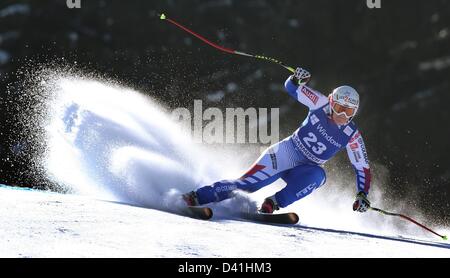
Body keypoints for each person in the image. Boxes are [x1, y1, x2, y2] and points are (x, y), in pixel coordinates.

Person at [183, 67, 372, 214]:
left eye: (348, 112)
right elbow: (292, 87)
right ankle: (195, 197)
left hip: (305, 168)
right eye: (339, 107)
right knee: (248, 185)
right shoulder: (320, 103)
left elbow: (362, 168)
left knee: (319, 177)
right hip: (285, 153)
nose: (342, 115)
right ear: (331, 102)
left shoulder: (351, 134)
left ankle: (272, 203)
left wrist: (362, 194)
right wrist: (297, 79)